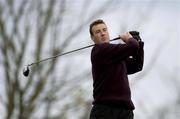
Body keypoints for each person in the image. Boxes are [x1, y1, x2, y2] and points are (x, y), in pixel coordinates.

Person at [89, 19, 144, 119]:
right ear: (93, 38)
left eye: (104, 30)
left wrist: (139, 43)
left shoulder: (115, 55)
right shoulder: (100, 51)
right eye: (98, 32)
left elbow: (137, 65)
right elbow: (132, 46)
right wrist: (129, 39)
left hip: (125, 111)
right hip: (105, 111)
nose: (102, 33)